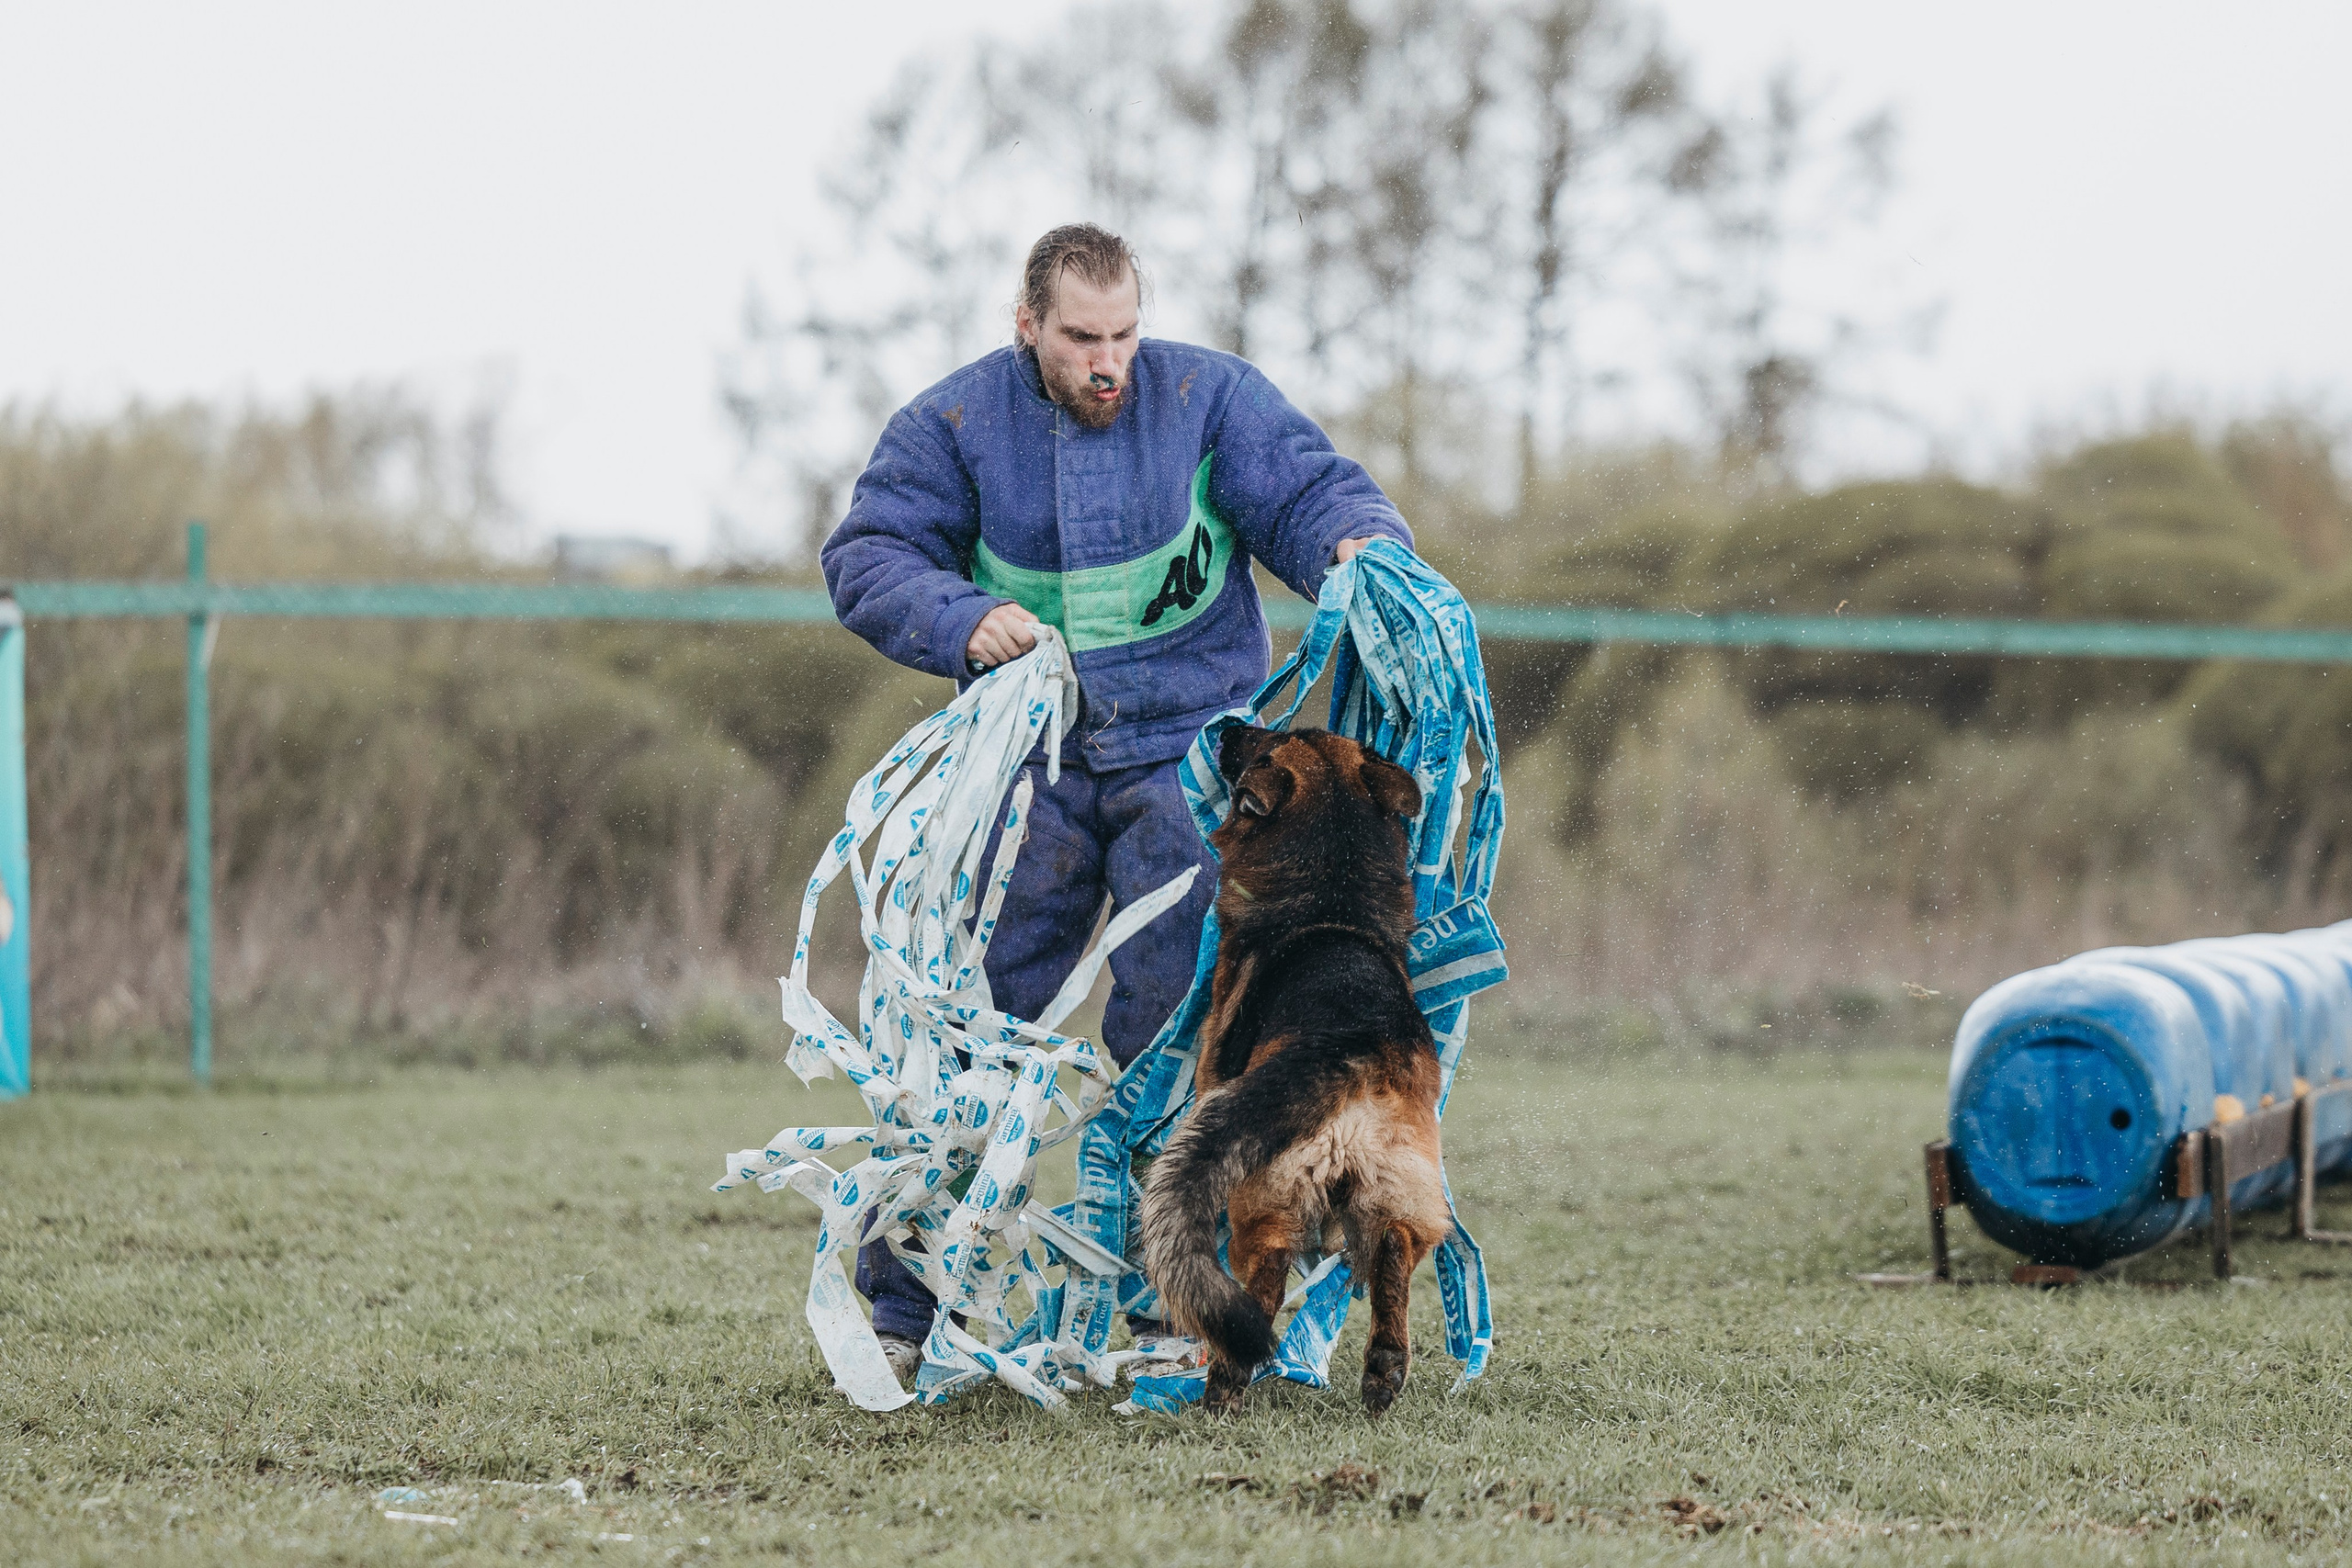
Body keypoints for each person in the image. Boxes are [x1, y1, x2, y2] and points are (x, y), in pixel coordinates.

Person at [821, 222, 1414, 1374]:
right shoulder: (950, 425)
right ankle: (904, 1316)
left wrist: (1361, 549)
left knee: (1180, 1031)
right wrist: (958, 619)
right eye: (1081, 338)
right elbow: (870, 554)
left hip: (1186, 765)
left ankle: (1168, 1310)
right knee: (966, 1027)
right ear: (1026, 326)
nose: (1107, 363)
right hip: (1027, 767)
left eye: (1124, 335)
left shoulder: (1207, 398)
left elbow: (1306, 496)